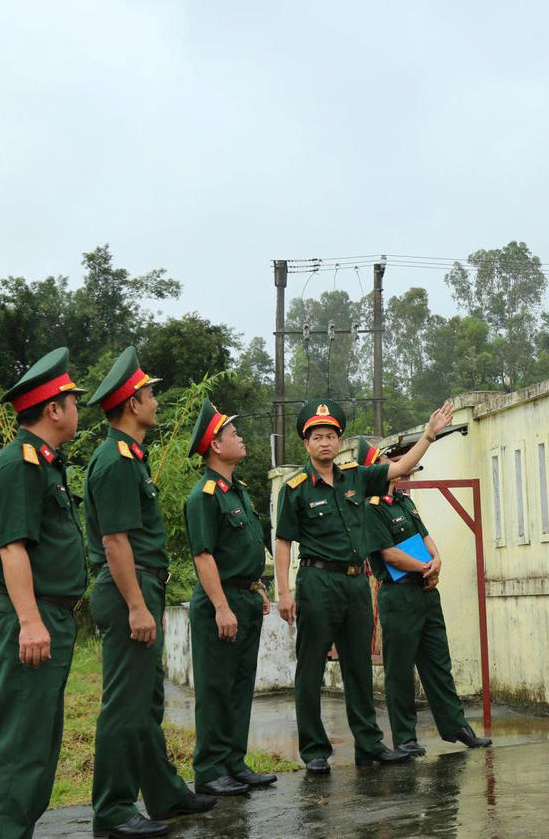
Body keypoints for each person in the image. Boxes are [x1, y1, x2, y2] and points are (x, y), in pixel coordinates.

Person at [275, 397, 455, 774]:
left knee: (358, 665)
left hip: (356, 583)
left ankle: (370, 743)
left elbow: (402, 466)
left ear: (339, 441)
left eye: (331, 436)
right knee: (310, 666)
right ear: (306, 444)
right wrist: (284, 591)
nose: (325, 443)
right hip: (317, 581)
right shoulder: (295, 488)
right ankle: (314, 750)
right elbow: (283, 542)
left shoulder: (357, 476)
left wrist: (429, 433)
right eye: (317, 437)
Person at [84, 347, 215, 839]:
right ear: (132, 404)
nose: (157, 401)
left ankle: (163, 792)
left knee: (147, 700)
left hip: (140, 586)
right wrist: (137, 606)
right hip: (128, 589)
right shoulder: (115, 461)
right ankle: (113, 810)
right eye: (151, 394)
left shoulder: (130, 457)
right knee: (124, 704)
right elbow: (115, 541)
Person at [0, 348, 86, 839]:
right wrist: (30, 621)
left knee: (37, 748)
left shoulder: (44, 463)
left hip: (49, 616)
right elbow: (12, 548)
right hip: (32, 618)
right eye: (73, 401)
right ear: (53, 409)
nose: (79, 410)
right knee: (19, 747)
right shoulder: (20, 463)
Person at [356, 437, 492, 756]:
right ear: (371, 470)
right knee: (401, 668)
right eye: (383, 460)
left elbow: (426, 537)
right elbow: (388, 554)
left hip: (426, 591)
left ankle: (455, 725)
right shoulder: (370, 508)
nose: (392, 464)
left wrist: (437, 561)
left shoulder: (404, 501)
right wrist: (424, 567)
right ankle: (405, 737)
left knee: (438, 661)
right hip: (399, 595)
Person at [183, 399, 276, 796]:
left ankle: (234, 762)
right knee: (216, 687)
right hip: (219, 603)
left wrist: (257, 586)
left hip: (245, 599)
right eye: (233, 434)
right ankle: (209, 769)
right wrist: (221, 606)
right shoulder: (204, 495)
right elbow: (203, 556)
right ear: (216, 447)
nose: (241, 438)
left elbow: (239, 550)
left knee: (240, 686)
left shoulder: (238, 492)